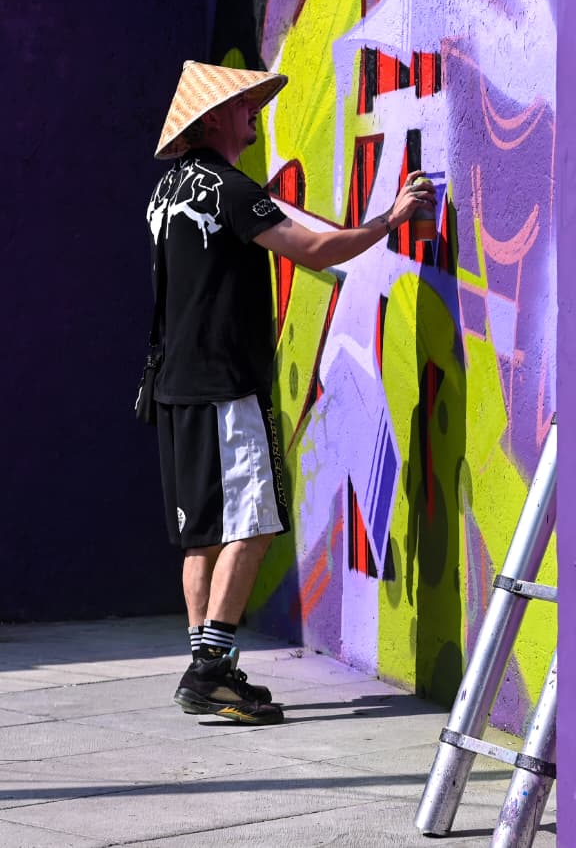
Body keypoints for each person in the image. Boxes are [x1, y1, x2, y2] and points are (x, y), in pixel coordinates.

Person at [146, 61, 436, 724]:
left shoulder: (165, 192)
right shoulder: (228, 188)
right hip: (225, 386)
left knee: (202, 536)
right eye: (243, 104)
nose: (253, 111)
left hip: (175, 388)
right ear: (213, 118)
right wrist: (389, 219)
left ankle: (211, 668)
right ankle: (209, 672)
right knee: (253, 524)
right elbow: (312, 249)